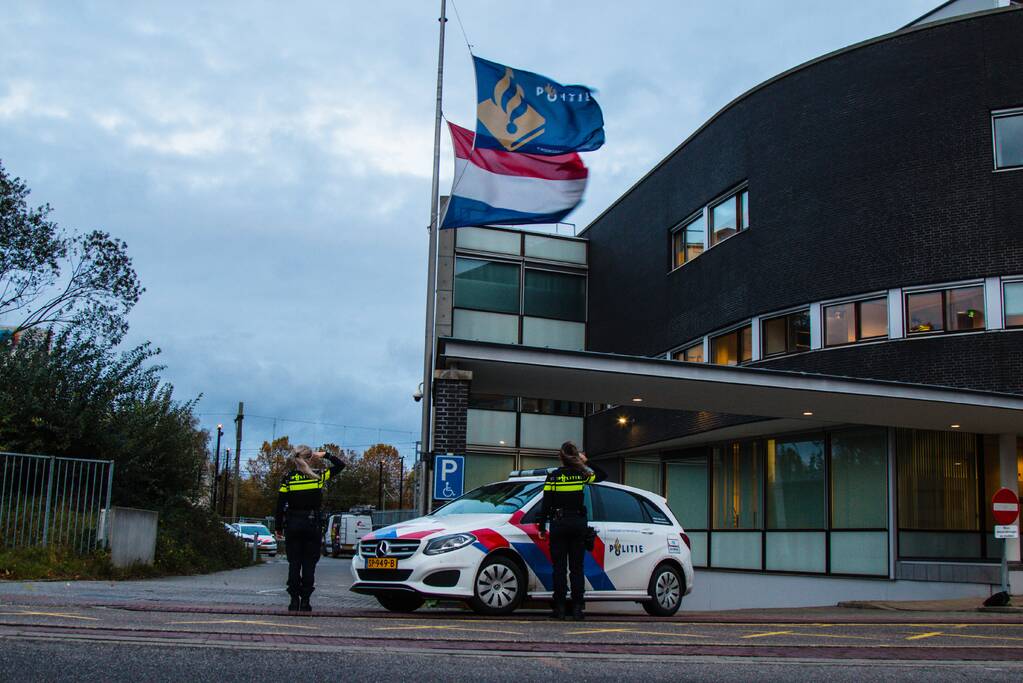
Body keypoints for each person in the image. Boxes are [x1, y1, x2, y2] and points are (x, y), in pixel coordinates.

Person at [536, 441, 606, 621]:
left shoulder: (553, 477)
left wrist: (542, 527)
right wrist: (585, 462)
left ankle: (559, 609)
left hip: (559, 524)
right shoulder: (581, 475)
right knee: (577, 568)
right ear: (576, 457)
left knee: (559, 569)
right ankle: (577, 610)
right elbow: (602, 475)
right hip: (578, 524)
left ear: (560, 457)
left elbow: (546, 504)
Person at [274, 445, 345, 612]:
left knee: (294, 562)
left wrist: (278, 527)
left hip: (293, 524)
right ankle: (305, 600)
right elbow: (340, 465)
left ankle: (293, 600)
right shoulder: (317, 477)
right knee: (309, 563)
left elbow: (279, 505)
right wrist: (325, 454)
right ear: (310, 458)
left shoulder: (288, 478)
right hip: (312, 524)